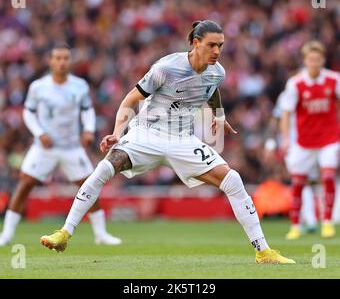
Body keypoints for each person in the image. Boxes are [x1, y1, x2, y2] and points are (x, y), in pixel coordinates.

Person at [41, 20, 295, 264]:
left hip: (182, 140)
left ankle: (263, 252)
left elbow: (212, 89)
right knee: (105, 167)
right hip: (147, 133)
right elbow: (130, 100)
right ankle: (64, 232)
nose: (217, 51)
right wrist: (118, 132)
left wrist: (220, 116)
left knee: (233, 180)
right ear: (196, 43)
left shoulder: (217, 72)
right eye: (211, 45)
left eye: (220, 46)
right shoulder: (166, 68)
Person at [0, 44, 121, 246]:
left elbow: (87, 110)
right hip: (44, 147)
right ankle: (7, 234)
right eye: (58, 58)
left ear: (69, 61)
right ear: (50, 61)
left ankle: (101, 233)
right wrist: (40, 133)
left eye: (65, 58)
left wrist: (89, 130)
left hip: (72, 147)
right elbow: (28, 112)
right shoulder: (38, 87)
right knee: (25, 184)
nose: (62, 62)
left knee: (90, 185)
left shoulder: (79, 85)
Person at [281, 41, 340, 239]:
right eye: (310, 59)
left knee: (328, 177)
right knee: (298, 182)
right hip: (304, 141)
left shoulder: (334, 80)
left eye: (318, 59)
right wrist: (286, 139)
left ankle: (328, 222)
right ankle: (296, 225)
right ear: (305, 61)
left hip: (329, 138)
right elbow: (286, 113)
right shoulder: (295, 83)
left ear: (323, 60)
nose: (314, 62)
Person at [264, 91, 318, 237]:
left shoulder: (313, 93)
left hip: (310, 143)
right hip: (293, 145)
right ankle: (307, 220)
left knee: (303, 181)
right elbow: (275, 121)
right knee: (300, 180)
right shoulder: (286, 96)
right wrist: (270, 143)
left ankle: (304, 220)